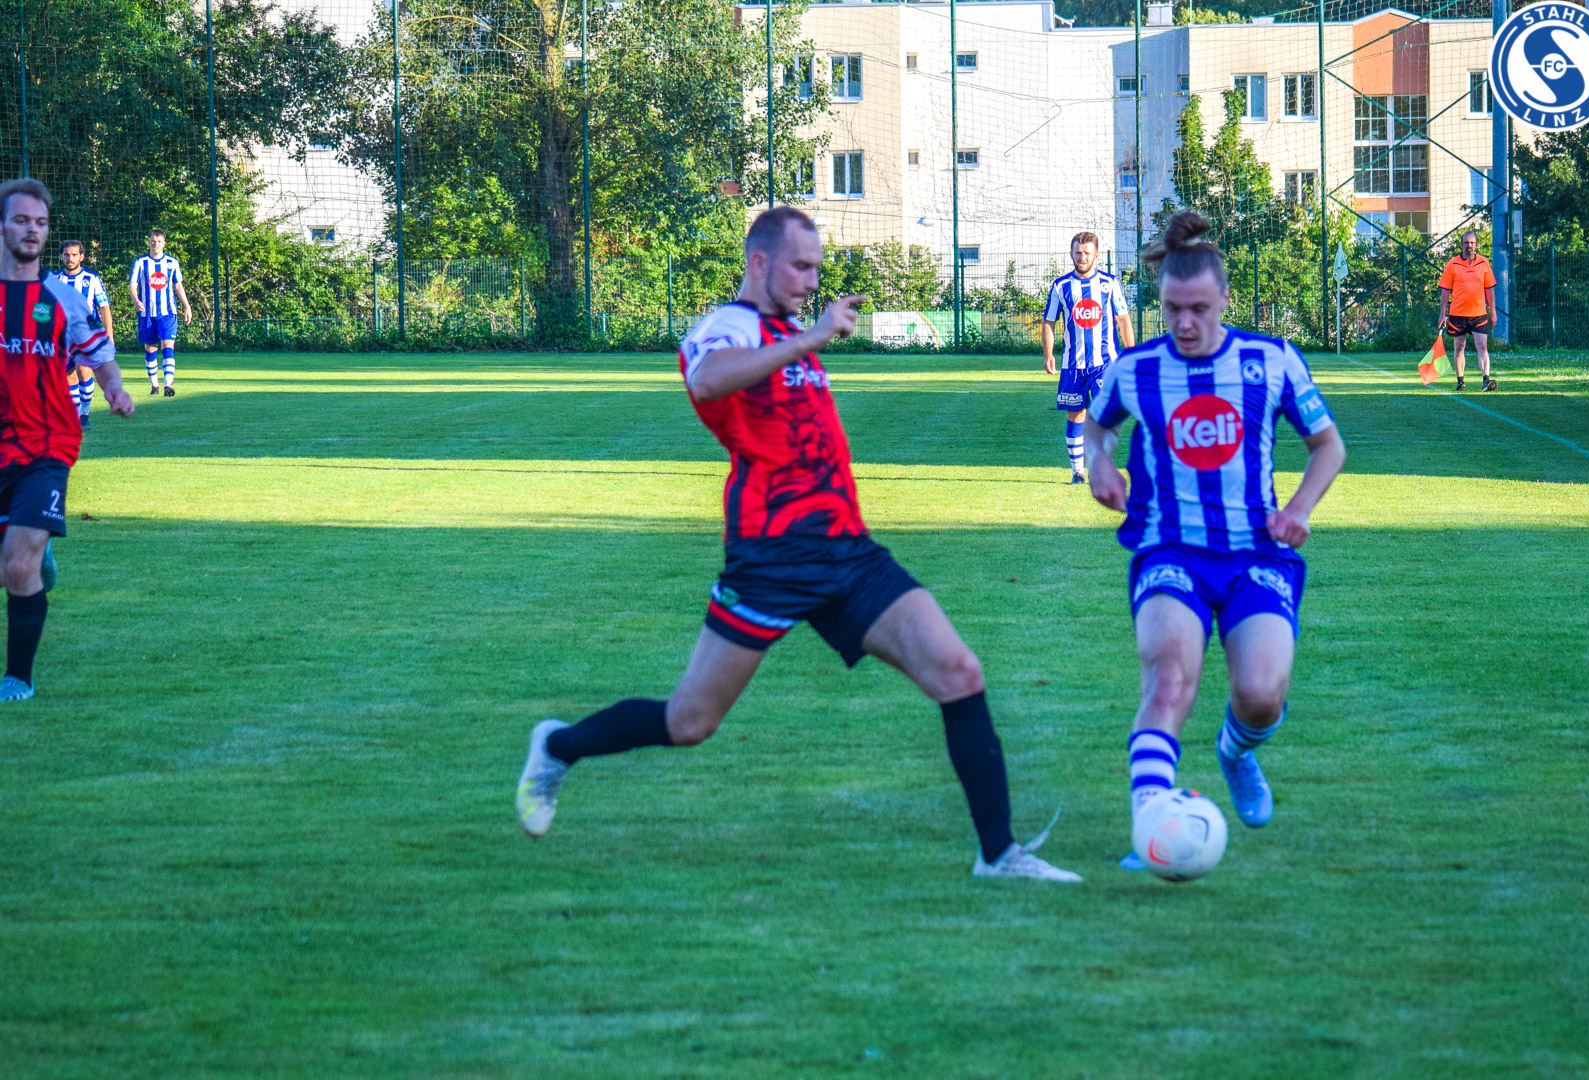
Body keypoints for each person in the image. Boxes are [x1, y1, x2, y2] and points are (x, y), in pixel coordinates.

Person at [516, 206, 1079, 882]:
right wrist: (811, 337)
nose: (812, 281)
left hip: (846, 548)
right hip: (770, 557)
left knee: (959, 673)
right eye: (801, 266)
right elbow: (706, 380)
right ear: (759, 262)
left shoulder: (788, 333)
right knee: (691, 721)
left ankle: (999, 856)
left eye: (816, 268)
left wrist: (804, 338)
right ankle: (558, 747)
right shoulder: (730, 327)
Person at [1082, 211, 1345, 869]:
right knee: (1168, 681)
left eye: (1199, 309)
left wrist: (1300, 509)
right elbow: (1097, 426)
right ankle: (1151, 824)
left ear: (1225, 298)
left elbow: (1328, 446)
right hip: (1169, 551)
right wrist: (1099, 463)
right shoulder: (1137, 369)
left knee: (1260, 695)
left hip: (1258, 553)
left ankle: (1235, 751)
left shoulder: (1271, 360)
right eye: (1172, 309)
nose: (1184, 323)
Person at [0, 178, 135, 700]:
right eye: (21, 220)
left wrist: (115, 388)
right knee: (13, 564)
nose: (32, 230)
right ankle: (39, 551)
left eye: (40, 222)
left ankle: (18, 677)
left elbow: (99, 355)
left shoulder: (61, 297)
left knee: (18, 564)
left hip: (47, 445)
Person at [1043, 231, 1133, 483]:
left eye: (1087, 253)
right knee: (1076, 415)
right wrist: (1048, 354)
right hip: (1072, 365)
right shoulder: (1060, 286)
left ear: (1096, 255)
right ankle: (1078, 472)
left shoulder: (1109, 283)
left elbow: (1123, 318)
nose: (1082, 257)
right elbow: (1049, 321)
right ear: (1071, 254)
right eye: (1078, 253)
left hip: (1105, 363)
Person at [52, 240, 114, 428]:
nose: (70, 258)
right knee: (69, 376)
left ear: (82, 257)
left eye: (74, 255)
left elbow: (104, 308)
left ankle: (85, 413)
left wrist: (109, 336)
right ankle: (77, 414)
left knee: (83, 370)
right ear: (61, 256)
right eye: (66, 255)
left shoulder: (92, 279)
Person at [128, 229, 191, 396]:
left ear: (164, 244)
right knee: (151, 349)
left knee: (168, 346)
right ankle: (154, 386)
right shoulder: (140, 262)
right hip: (147, 314)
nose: (156, 244)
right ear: (149, 242)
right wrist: (136, 300)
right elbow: (132, 284)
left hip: (168, 313)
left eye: (159, 241)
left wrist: (187, 306)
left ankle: (168, 385)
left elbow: (178, 285)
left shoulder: (172, 262)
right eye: (153, 241)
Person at [1436, 231, 1497, 392]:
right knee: (1459, 347)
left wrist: (1493, 312)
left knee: (1482, 346)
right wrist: (1442, 314)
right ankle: (1460, 382)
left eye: (1472, 243)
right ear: (1461, 244)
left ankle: (1486, 380)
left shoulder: (1483, 263)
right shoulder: (1453, 264)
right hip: (1458, 314)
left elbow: (1489, 289)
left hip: (1479, 314)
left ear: (1476, 245)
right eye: (1466, 243)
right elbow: (1445, 290)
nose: (1469, 245)